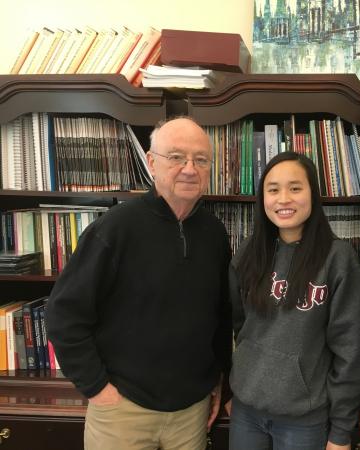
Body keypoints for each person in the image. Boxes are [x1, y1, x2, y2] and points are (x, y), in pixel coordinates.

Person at [46, 116, 232, 450]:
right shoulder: (114, 230)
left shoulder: (215, 234)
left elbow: (219, 315)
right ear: (151, 162)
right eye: (176, 157)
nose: (190, 168)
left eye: (200, 160)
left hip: (191, 411)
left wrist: (218, 379)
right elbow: (63, 314)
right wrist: (97, 388)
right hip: (123, 410)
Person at [226, 152, 360, 450]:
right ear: (262, 197)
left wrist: (342, 429)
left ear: (312, 194)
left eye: (295, 188)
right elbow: (237, 324)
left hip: (303, 419)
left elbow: (351, 348)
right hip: (246, 411)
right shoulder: (248, 254)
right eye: (273, 189)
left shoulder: (337, 258)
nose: (283, 199)